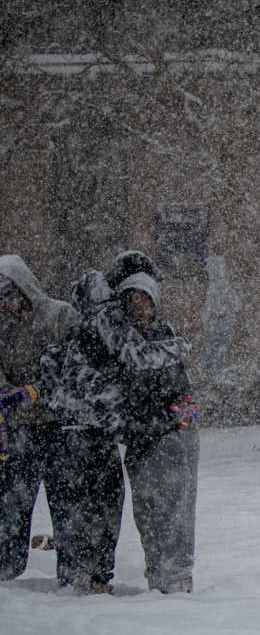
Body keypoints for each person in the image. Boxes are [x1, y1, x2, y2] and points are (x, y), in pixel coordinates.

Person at [41, 252, 199, 593]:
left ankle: (91, 580)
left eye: (146, 302)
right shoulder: (112, 323)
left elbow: (175, 390)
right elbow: (138, 361)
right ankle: (103, 580)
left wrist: (70, 405)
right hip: (123, 433)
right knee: (114, 509)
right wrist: (183, 346)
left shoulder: (90, 329)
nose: (139, 310)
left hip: (148, 433)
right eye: (132, 301)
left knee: (119, 510)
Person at [0, 254, 81, 579]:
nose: (7, 308)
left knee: (67, 501)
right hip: (18, 431)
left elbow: (76, 366)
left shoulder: (60, 315)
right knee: (11, 504)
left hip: (60, 428)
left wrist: (38, 391)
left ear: (24, 288)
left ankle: (74, 571)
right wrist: (9, 395)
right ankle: (5, 569)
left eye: (9, 298)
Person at [199, 255, 241, 371]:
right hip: (215, 327)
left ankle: (212, 376)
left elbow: (237, 304)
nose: (208, 271)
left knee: (215, 353)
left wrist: (221, 313)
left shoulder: (222, 286)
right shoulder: (214, 287)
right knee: (213, 352)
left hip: (221, 327)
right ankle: (210, 375)